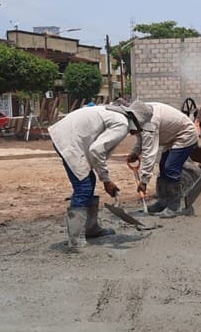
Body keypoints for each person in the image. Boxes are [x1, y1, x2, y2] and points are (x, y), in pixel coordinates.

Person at [49, 100, 154, 251]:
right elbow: (97, 150)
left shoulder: (117, 116)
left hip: (67, 135)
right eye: (141, 128)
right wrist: (106, 180)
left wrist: (102, 177)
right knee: (83, 187)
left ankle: (91, 229)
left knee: (88, 180)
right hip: (69, 140)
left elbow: (96, 149)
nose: (138, 132)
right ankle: (75, 240)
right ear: (137, 122)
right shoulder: (122, 124)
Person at [127, 101, 199, 218]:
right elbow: (141, 137)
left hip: (186, 135)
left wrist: (144, 181)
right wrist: (135, 152)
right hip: (173, 137)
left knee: (170, 167)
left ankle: (174, 207)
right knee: (163, 167)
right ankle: (163, 202)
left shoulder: (150, 123)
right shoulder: (140, 113)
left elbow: (149, 153)